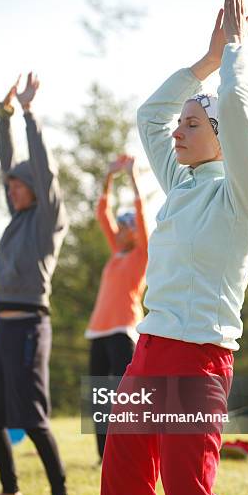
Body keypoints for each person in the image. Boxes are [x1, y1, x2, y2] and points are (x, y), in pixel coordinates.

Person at [100, 0, 248, 495]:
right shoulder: (181, 185)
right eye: (183, 125)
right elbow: (152, 114)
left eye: (192, 124)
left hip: (198, 361)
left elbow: (236, 104)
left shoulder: (239, 196)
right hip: (147, 355)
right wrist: (204, 60)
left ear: (226, 139)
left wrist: (233, 57)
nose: (178, 130)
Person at [0, 73, 74, 495]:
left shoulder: (45, 219)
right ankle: (11, 489)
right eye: (9, 185)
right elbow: (8, 164)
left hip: (31, 325)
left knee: (32, 416)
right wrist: (4, 117)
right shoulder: (17, 215)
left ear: (35, 188)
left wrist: (30, 115)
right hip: (1, 327)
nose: (9, 189)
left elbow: (42, 167)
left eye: (17, 185)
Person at [86, 155, 148, 460]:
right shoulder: (116, 253)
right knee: (99, 398)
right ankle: (104, 456)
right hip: (98, 330)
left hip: (124, 330)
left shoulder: (141, 255)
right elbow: (102, 213)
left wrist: (132, 176)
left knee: (127, 397)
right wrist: (109, 177)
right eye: (120, 227)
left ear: (135, 232)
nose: (120, 231)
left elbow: (141, 212)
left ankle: (132, 448)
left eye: (126, 227)